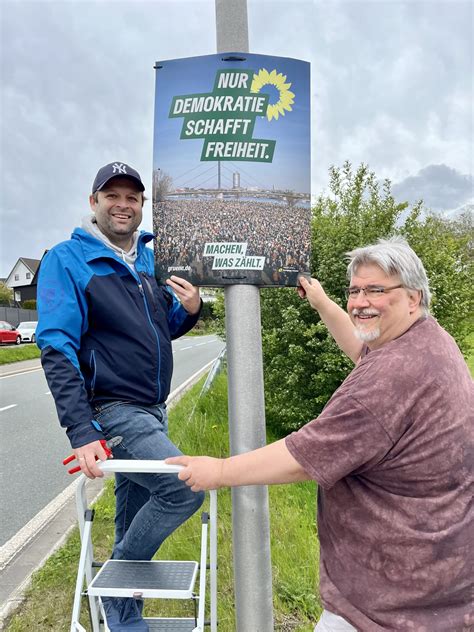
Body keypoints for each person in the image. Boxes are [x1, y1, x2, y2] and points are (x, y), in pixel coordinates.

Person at [167, 237, 473, 631]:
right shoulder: (425, 340)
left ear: (412, 298)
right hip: (438, 583)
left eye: (377, 290)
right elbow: (365, 350)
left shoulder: (390, 379)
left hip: (390, 601)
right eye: (355, 290)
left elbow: (306, 455)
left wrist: (220, 471)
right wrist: (324, 303)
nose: (361, 301)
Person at [37, 162, 205, 631]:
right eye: (112, 195)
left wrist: (192, 310)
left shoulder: (149, 260)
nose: (123, 204)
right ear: (94, 203)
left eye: (132, 197)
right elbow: (56, 346)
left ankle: (125, 619)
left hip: (153, 408)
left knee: (130, 518)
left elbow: (163, 330)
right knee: (182, 489)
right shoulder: (68, 259)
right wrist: (81, 430)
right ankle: (113, 595)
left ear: (142, 205)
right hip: (115, 410)